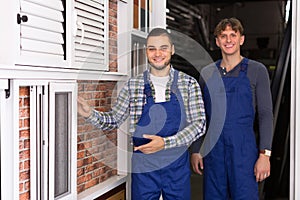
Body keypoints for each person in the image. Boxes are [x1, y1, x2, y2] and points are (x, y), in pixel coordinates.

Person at [77, 28, 206, 200]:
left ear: (172, 49)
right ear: (146, 51)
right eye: (152, 48)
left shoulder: (189, 84)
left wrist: (165, 143)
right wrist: (89, 114)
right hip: (143, 167)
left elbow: (199, 124)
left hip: (175, 166)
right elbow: (114, 120)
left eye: (163, 48)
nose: (157, 53)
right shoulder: (133, 85)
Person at [190, 17, 274, 200]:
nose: (228, 40)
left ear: (241, 39)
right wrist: (196, 149)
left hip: (244, 152)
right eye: (223, 36)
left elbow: (266, 115)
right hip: (214, 152)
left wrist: (265, 154)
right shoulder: (207, 73)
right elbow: (200, 117)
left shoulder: (257, 70)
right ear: (217, 41)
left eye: (233, 35)